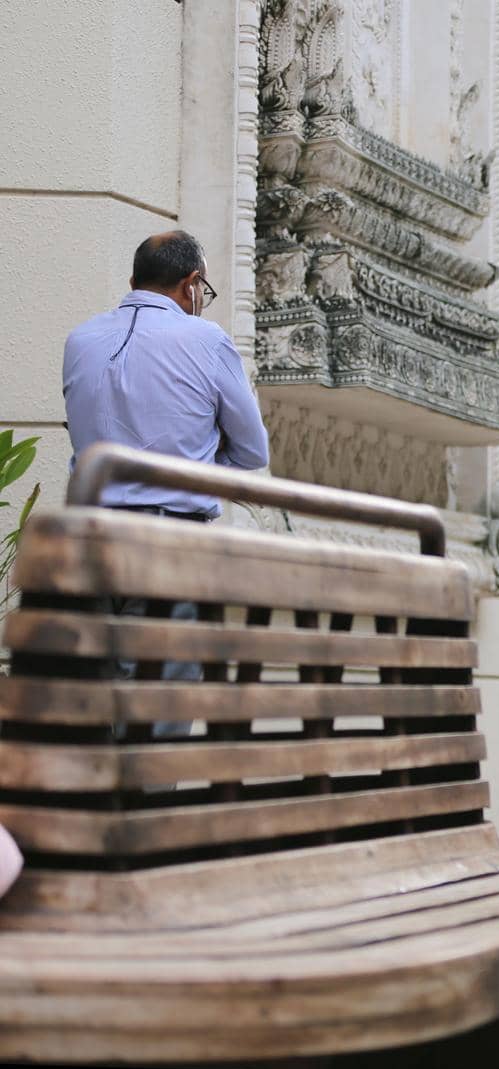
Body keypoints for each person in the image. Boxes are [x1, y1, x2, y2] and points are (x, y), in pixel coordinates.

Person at [62, 231, 271, 740]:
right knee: (159, 710)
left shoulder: (80, 339)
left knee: (91, 707)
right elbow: (252, 452)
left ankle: (95, 818)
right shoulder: (206, 340)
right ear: (192, 284)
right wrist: (196, 453)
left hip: (88, 540)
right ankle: (147, 815)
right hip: (170, 543)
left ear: (134, 281)